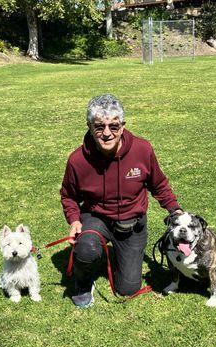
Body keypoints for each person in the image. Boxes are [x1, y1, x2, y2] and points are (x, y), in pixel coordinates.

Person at [60, 94, 183, 308]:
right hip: (96, 218)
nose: (107, 133)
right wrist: (74, 220)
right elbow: (68, 195)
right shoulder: (77, 160)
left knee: (128, 288)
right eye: (99, 127)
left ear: (123, 126)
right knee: (86, 248)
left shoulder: (142, 150)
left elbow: (159, 184)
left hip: (132, 224)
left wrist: (176, 211)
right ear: (89, 126)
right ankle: (83, 281)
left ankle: (120, 254)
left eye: (113, 126)